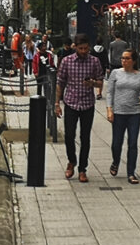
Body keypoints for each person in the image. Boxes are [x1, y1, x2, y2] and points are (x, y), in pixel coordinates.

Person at [57, 34, 105, 183]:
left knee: (85, 137)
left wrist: (93, 84)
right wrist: (56, 103)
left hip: (87, 103)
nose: (84, 51)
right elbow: (60, 83)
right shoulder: (67, 61)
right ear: (75, 47)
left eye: (86, 48)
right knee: (69, 135)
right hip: (71, 102)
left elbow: (100, 81)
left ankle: (82, 168)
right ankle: (72, 161)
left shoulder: (94, 61)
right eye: (81, 48)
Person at [106, 50, 140, 184]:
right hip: (119, 112)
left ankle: (131, 172)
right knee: (116, 143)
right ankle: (115, 161)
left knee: (132, 143)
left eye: (127, 58)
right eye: (122, 58)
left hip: (134, 113)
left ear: (133, 61)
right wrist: (109, 109)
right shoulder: (115, 73)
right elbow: (109, 92)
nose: (124, 61)